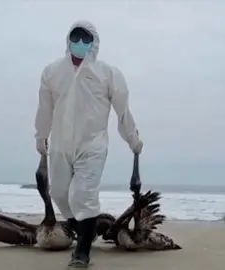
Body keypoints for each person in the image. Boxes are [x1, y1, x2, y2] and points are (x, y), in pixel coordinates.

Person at [33, 20, 143, 267]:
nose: (80, 45)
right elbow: (45, 110)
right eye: (76, 39)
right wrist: (41, 137)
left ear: (94, 43)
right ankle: (84, 230)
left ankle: (82, 253)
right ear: (68, 41)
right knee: (60, 194)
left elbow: (123, 112)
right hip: (61, 145)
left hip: (92, 145)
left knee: (83, 195)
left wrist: (134, 141)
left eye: (86, 40)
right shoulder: (52, 72)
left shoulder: (108, 74)